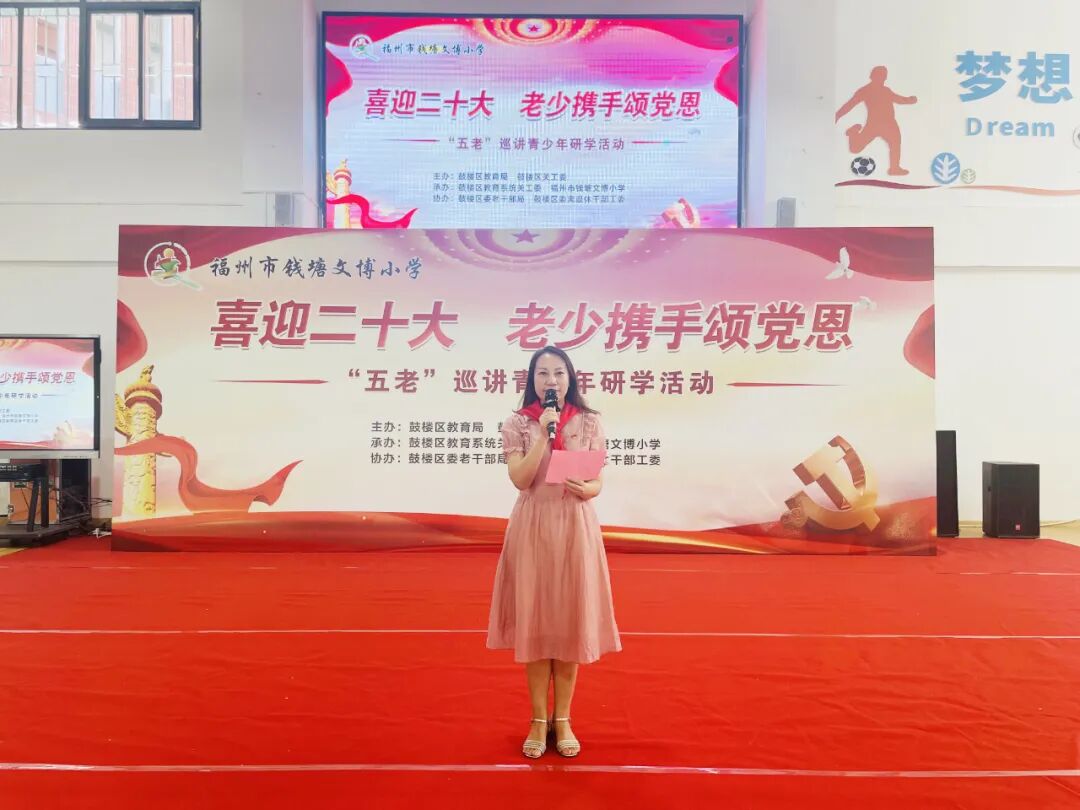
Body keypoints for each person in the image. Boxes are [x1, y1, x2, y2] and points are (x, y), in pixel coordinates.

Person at [487, 346, 621, 758]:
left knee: (568, 622)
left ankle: (563, 717)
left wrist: (589, 488)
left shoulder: (589, 421)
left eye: (559, 373)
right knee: (536, 621)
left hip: (574, 524)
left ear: (570, 378)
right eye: (543, 373)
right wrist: (543, 436)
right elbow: (520, 478)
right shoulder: (518, 423)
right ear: (532, 380)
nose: (551, 380)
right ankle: (537, 718)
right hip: (532, 525)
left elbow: (597, 480)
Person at [835, 65, 918, 176]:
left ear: (885, 78)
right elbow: (850, 104)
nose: (882, 78)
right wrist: (838, 115)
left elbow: (898, 99)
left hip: (889, 124)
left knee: (895, 143)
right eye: (879, 75)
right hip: (873, 125)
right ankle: (853, 133)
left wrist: (909, 100)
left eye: (883, 76)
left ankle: (894, 168)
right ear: (872, 76)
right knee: (855, 149)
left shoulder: (886, 91)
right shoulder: (865, 90)